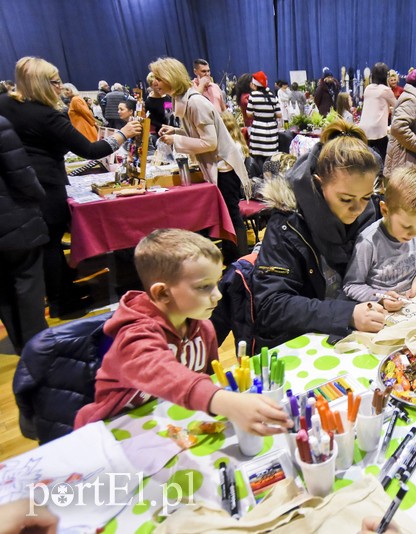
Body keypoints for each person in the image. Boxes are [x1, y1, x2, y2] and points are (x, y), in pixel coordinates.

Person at [74, 230, 292, 436]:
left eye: (216, 283)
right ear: (162, 293)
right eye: (203, 287)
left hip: (169, 423)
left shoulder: (204, 328)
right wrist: (225, 402)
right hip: (111, 432)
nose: (217, 295)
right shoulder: (134, 335)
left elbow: (207, 379)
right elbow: (163, 371)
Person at [0, 57, 141, 318]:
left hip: (12, 188)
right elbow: (91, 149)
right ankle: (62, 302)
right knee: (50, 245)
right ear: (42, 83)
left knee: (43, 247)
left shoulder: (6, 104)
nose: (60, 86)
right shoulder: (45, 115)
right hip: (45, 187)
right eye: (55, 82)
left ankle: (61, 294)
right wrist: (124, 134)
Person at [252, 119, 394, 349]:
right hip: (303, 343)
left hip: (358, 334)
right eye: (345, 199)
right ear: (318, 185)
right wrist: (347, 314)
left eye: (366, 197)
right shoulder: (288, 223)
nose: (358, 209)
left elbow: (392, 252)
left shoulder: (372, 210)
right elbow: (271, 305)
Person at [150, 57, 251, 261]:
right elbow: (197, 134)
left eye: (159, 78)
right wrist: (176, 130)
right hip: (216, 164)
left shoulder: (195, 102)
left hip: (224, 167)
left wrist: (176, 139)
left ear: (170, 78)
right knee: (226, 215)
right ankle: (233, 260)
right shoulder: (184, 99)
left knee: (231, 214)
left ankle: (242, 262)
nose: (156, 83)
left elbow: (209, 143)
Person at [343, 165, 416, 310]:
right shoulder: (368, 242)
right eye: (406, 226)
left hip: (414, 306)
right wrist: (380, 298)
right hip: (381, 312)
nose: (414, 233)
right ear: (385, 210)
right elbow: (351, 285)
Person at [0, 115, 48, 355]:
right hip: (14, 217)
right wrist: (40, 197)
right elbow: (21, 174)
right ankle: (38, 346)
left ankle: (21, 342)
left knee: (4, 286)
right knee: (28, 281)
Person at [384, 67, 416, 178]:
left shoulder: (415, 99)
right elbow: (398, 127)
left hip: (409, 163)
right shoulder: (411, 99)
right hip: (405, 165)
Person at [360, 62, 397, 163]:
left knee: (367, 160)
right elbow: (397, 105)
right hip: (378, 131)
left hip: (364, 129)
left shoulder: (368, 88)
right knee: (383, 159)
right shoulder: (385, 90)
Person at [246, 71, 281, 171]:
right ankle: (271, 178)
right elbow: (279, 114)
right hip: (271, 130)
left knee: (258, 156)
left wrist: (258, 113)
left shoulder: (253, 95)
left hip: (258, 129)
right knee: (272, 156)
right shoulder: (272, 96)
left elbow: (249, 113)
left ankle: (260, 177)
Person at [145, 72, 172, 146]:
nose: (158, 87)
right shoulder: (149, 102)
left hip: (172, 129)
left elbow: (169, 112)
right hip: (160, 132)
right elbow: (150, 120)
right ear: (151, 86)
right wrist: (163, 126)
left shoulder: (166, 97)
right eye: (155, 85)